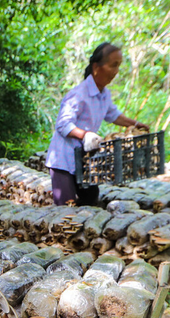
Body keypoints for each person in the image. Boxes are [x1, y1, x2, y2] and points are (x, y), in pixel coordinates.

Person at [45, 42, 149, 206]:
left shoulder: (104, 94)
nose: (116, 71)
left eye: (118, 66)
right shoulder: (79, 94)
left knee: (91, 199)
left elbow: (113, 115)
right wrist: (85, 134)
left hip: (84, 160)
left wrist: (136, 124)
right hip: (64, 160)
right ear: (96, 67)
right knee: (65, 209)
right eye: (113, 65)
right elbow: (63, 125)